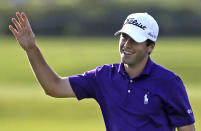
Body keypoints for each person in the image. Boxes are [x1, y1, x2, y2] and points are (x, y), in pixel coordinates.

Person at [9, 12, 195, 131]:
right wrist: (31, 49)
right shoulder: (104, 77)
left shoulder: (169, 82)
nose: (126, 45)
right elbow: (54, 87)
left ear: (150, 47)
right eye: (124, 37)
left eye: (134, 40)